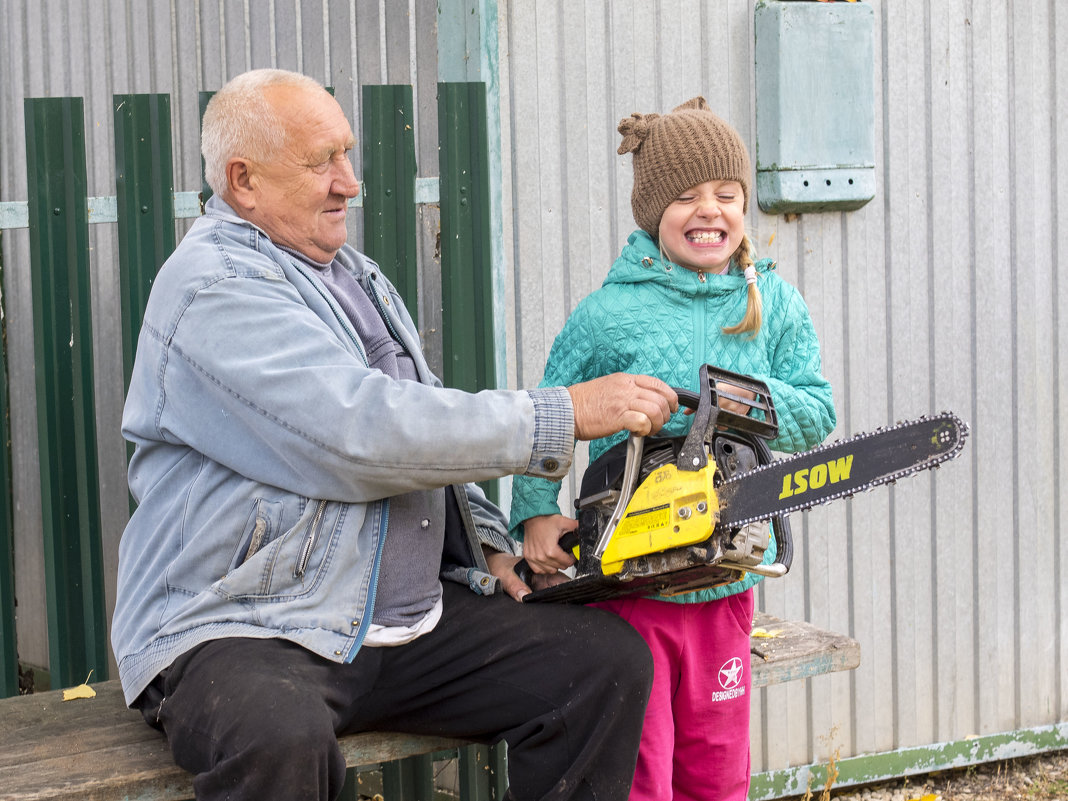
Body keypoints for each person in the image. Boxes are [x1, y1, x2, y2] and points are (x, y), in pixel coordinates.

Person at [111, 68, 680, 801]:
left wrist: (488, 544)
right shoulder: (214, 286)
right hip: (251, 624)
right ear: (243, 181)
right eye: (323, 162)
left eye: (347, 154)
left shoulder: (350, 271)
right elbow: (360, 432)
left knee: (602, 663)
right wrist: (561, 413)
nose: (351, 182)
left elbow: (425, 417)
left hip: (400, 626)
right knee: (276, 737)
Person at [508, 97, 836, 801]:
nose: (708, 210)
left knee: (716, 769)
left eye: (726, 194)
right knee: (641, 771)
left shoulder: (772, 302)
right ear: (653, 211)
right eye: (686, 197)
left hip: (725, 582)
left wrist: (728, 395)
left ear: (745, 205)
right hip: (633, 585)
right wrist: (534, 512)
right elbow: (548, 414)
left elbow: (818, 412)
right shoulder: (609, 312)